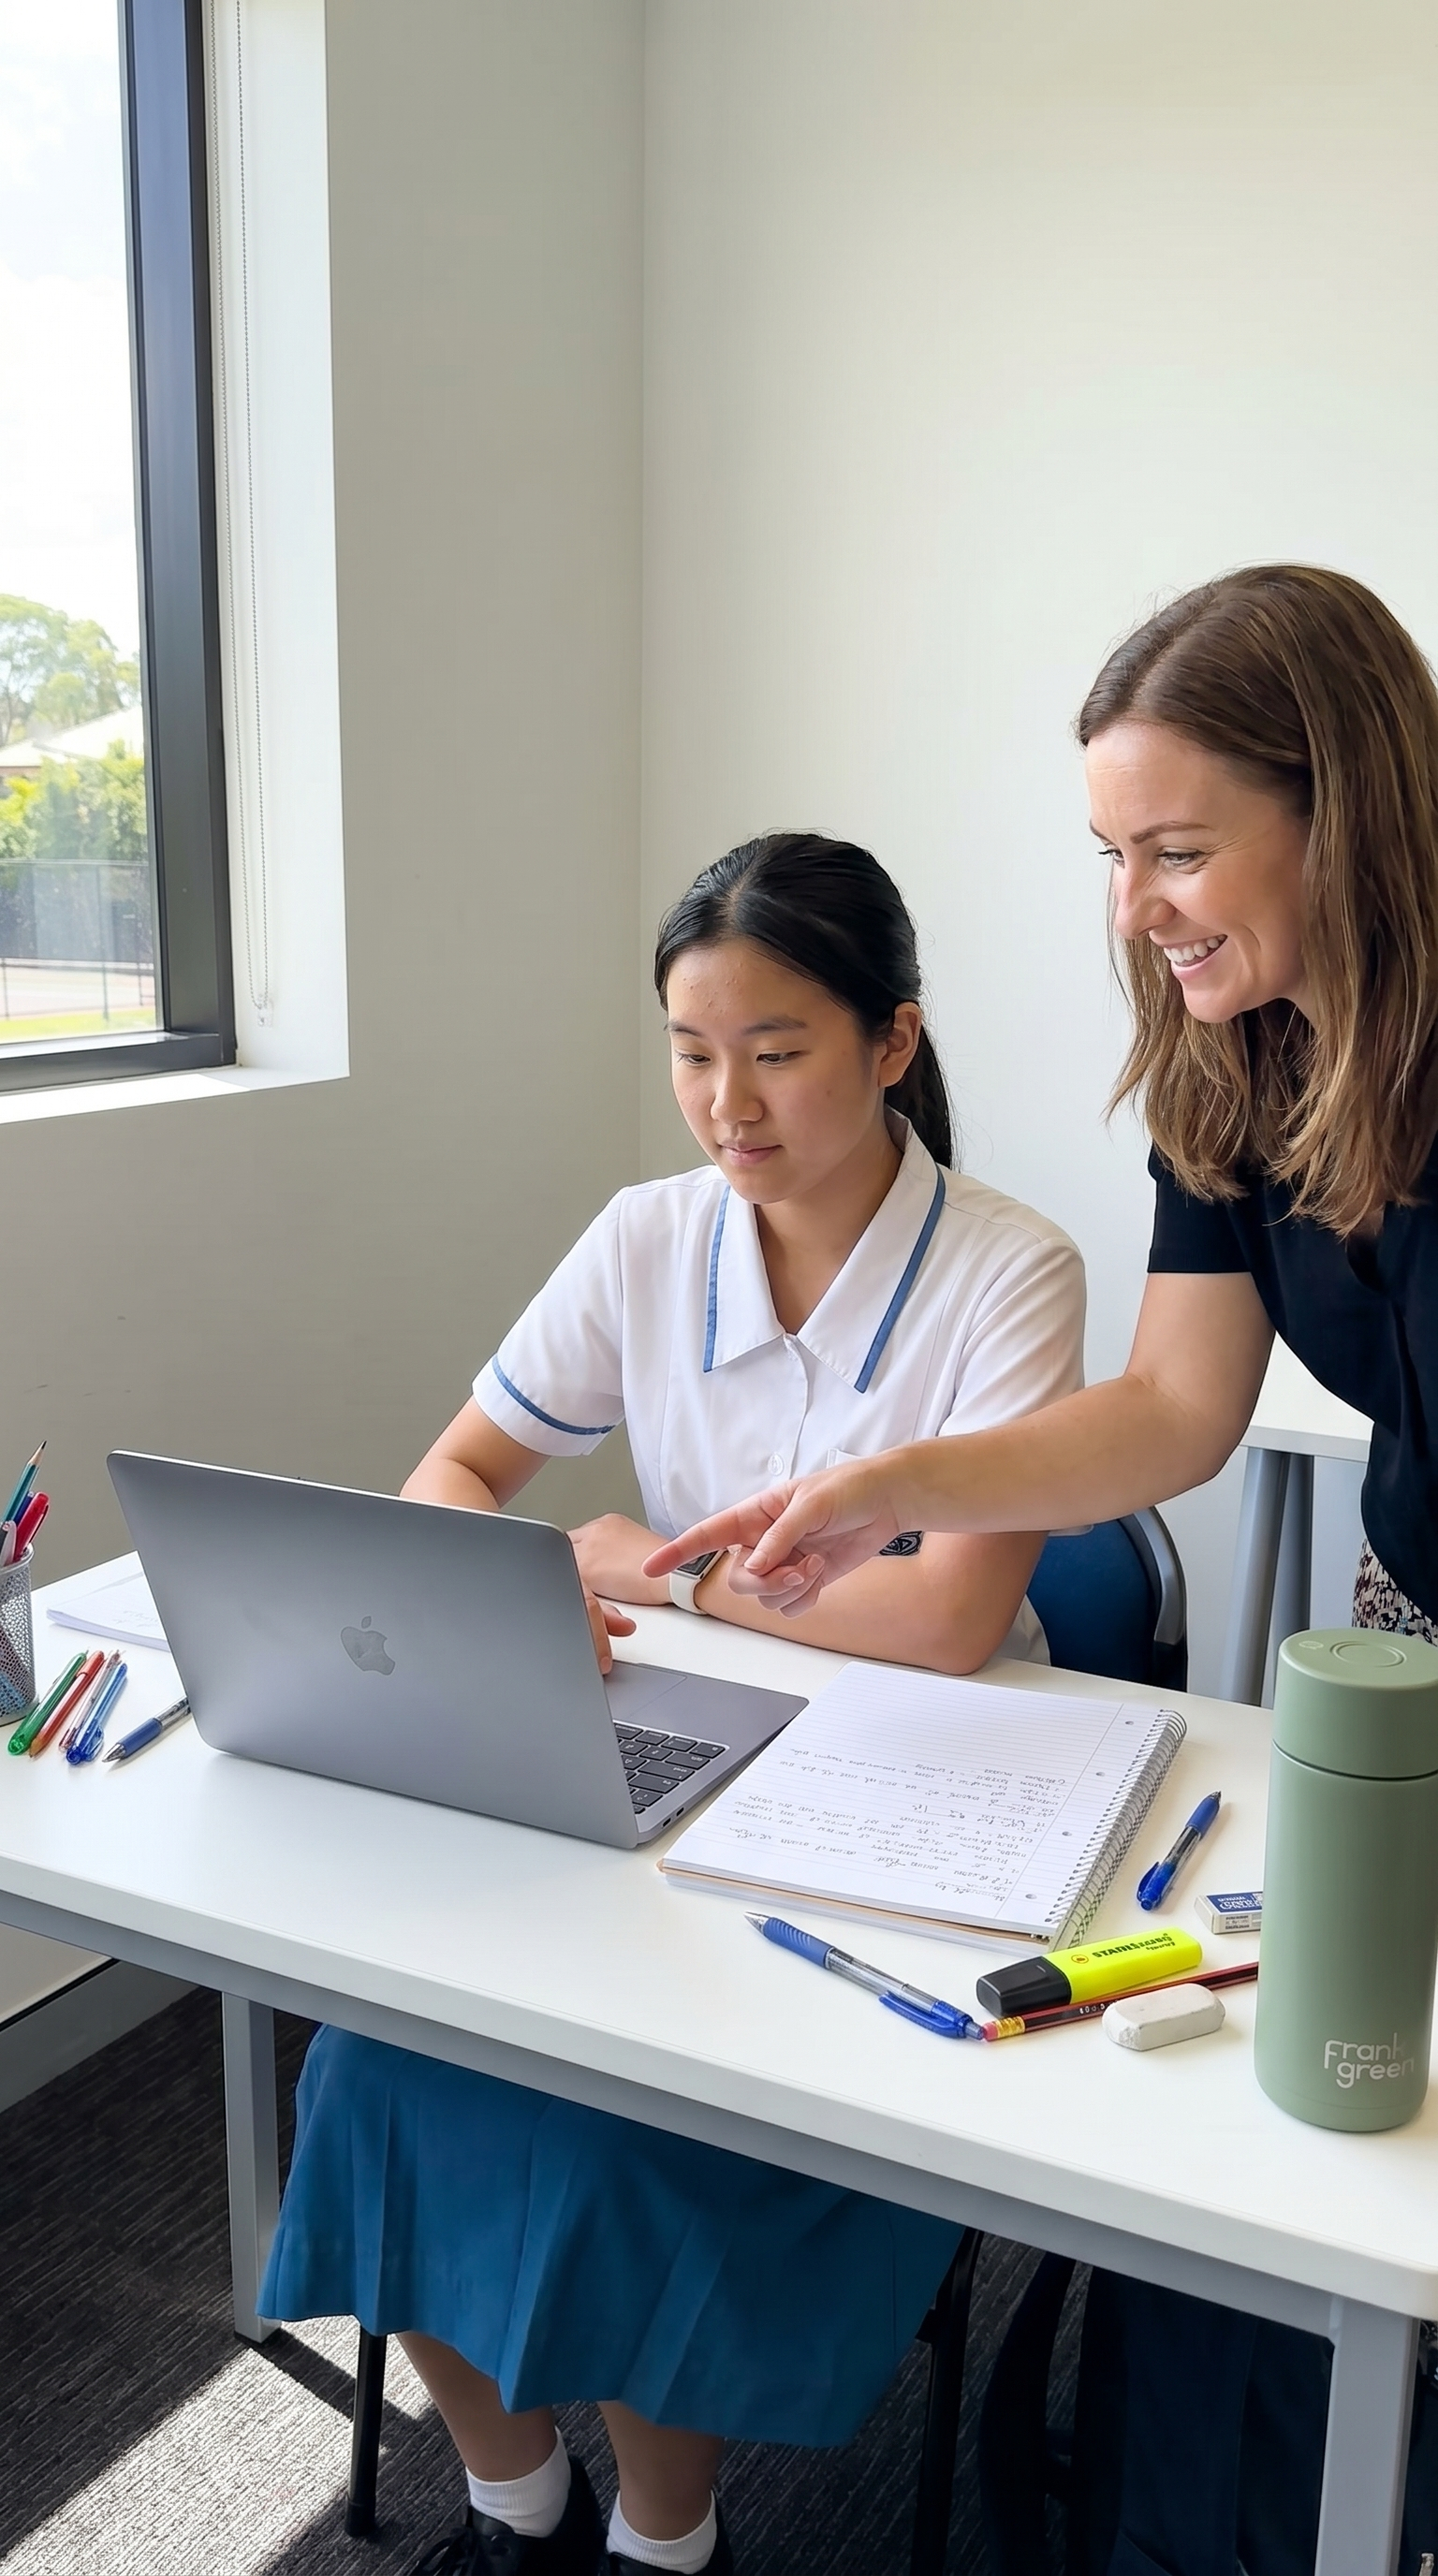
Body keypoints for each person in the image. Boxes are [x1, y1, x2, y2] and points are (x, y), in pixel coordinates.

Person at [650, 567, 1438, 2575]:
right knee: (1286, 2165)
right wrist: (889, 1478)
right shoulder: (1236, 1061)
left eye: (1178, 848)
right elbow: (1173, 1408)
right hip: (1406, 1658)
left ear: (1343, 811)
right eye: (1112, 853)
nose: (1137, 905)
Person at [258, 830, 1086, 2576]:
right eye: (693, 1054)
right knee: (373, 2078)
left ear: (893, 1041)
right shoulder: (649, 1238)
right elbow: (460, 1471)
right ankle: (516, 2506)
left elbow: (946, 1619)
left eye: (778, 1052)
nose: (730, 1104)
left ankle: (666, 2538)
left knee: (641, 2135)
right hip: (655, 1766)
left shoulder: (1010, 1269)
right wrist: (528, 1565)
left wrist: (650, 1560)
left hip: (895, 1804)